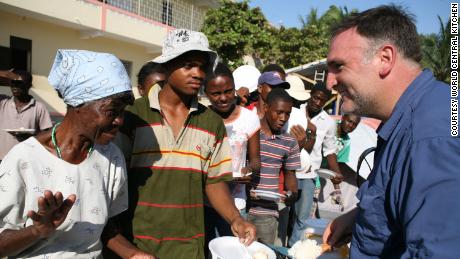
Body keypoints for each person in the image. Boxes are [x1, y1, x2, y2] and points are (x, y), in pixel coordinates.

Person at [323, 5, 460, 258]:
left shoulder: (432, 137)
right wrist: (356, 218)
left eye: (338, 66)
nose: (329, 82)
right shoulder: (410, 119)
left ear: (384, 59)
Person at [114, 29, 256, 259]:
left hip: (189, 248)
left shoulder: (211, 123)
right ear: (167, 66)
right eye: (188, 65)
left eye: (202, 67)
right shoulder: (134, 116)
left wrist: (235, 218)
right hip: (137, 245)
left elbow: (215, 182)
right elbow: (114, 182)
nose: (198, 73)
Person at [0, 49, 152, 258]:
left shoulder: (112, 157)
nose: (120, 121)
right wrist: (37, 230)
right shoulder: (24, 159)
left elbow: (104, 226)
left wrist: (134, 255)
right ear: (78, 103)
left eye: (123, 111)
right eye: (112, 111)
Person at [203, 62, 261, 252]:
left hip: (236, 201)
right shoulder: (201, 118)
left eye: (228, 91)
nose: (223, 98)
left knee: (233, 251)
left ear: (235, 89)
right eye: (215, 94)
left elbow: (255, 160)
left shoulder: (249, 118)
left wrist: (250, 170)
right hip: (203, 201)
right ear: (206, 93)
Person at [288, 82, 342, 247]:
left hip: (309, 175)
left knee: (302, 218)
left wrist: (336, 173)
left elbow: (330, 151)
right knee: (284, 214)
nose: (317, 102)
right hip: (288, 171)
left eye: (322, 100)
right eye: (315, 97)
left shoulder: (328, 122)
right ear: (310, 94)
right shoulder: (294, 110)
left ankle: (292, 250)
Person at [247, 88, 300, 245]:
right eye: (279, 112)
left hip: (267, 212)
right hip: (241, 207)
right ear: (266, 108)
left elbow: (291, 175)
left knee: (262, 253)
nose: (283, 118)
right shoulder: (249, 132)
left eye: (288, 113)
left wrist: (292, 194)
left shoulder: (289, 141)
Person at [0, 69, 52, 163]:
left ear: (28, 86)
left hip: (27, 160)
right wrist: (5, 74)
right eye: (13, 82)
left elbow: (48, 135)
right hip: (3, 159)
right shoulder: (3, 102)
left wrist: (32, 137)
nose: (15, 86)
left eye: (19, 83)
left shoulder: (38, 107)